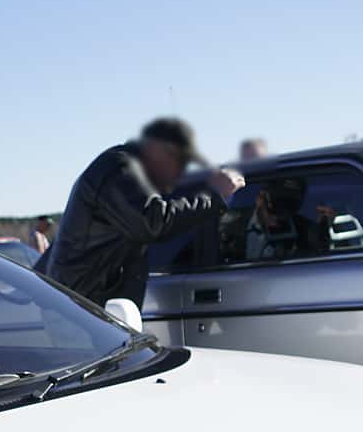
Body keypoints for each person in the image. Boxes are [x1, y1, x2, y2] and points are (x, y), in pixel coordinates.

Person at [36, 117, 244, 307]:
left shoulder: (117, 169)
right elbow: (152, 222)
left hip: (82, 302)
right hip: (83, 306)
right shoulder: (119, 170)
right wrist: (216, 196)